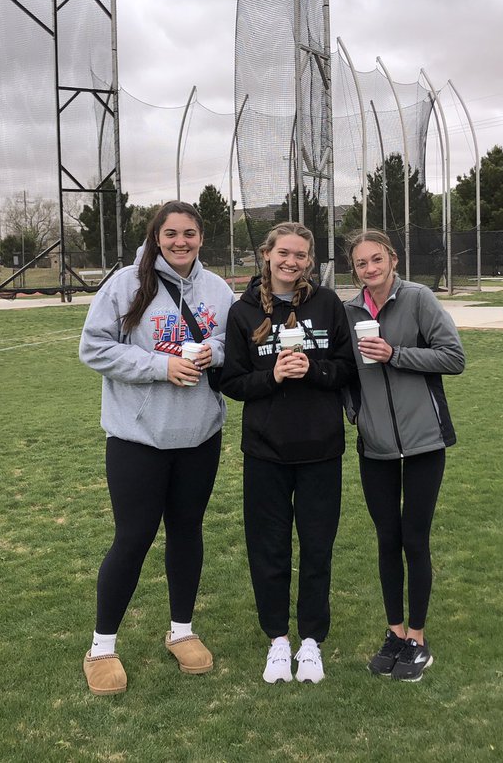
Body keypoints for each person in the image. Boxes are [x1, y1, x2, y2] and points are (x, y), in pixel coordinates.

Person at [78, 200, 236, 696]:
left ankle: (182, 631)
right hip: (138, 439)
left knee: (187, 532)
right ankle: (102, 646)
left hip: (199, 437)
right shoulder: (126, 283)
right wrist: (160, 366)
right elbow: (94, 348)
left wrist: (215, 352)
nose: (180, 242)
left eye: (189, 233)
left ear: (201, 238)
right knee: (134, 538)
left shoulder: (217, 289)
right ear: (156, 236)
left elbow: (233, 344)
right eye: (171, 233)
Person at [220, 222, 355, 684]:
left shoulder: (327, 303)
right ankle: (278, 640)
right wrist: (273, 376)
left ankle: (311, 641)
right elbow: (232, 382)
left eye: (301, 255)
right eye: (284, 253)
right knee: (269, 549)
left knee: (317, 548)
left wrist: (313, 371)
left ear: (310, 262)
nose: (291, 262)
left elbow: (346, 368)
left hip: (320, 450)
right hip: (265, 452)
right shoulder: (242, 312)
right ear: (267, 255)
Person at [343, 229, 465, 683]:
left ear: (392, 259)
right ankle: (394, 632)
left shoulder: (418, 299)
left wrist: (396, 354)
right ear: (353, 269)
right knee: (386, 539)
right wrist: (353, 411)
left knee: (415, 539)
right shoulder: (348, 310)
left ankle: (417, 637)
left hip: (422, 444)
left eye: (377, 259)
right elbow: (343, 372)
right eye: (361, 263)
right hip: (374, 447)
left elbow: (454, 357)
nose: (370, 269)